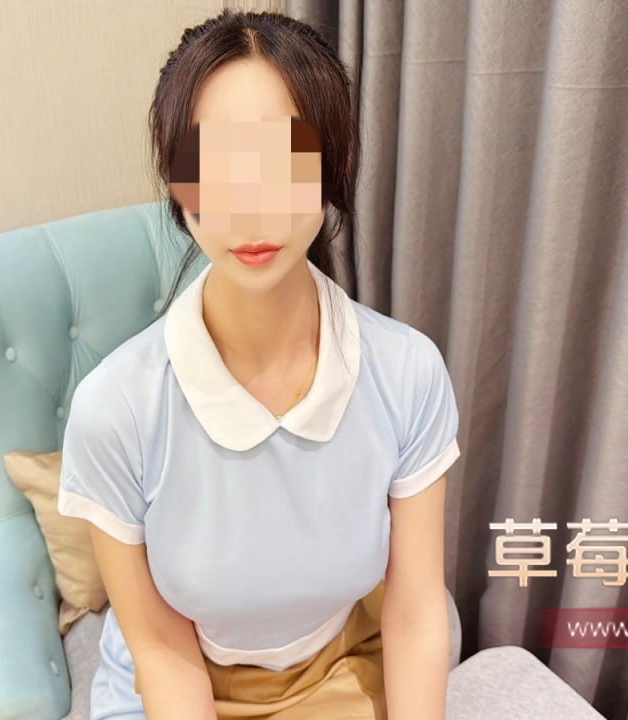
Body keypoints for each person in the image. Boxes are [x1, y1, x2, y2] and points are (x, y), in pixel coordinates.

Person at [58, 9, 460, 719]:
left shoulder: (407, 372)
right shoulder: (115, 408)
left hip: (346, 661)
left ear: (333, 167)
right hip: (178, 681)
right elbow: (160, 649)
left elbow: (418, 610)